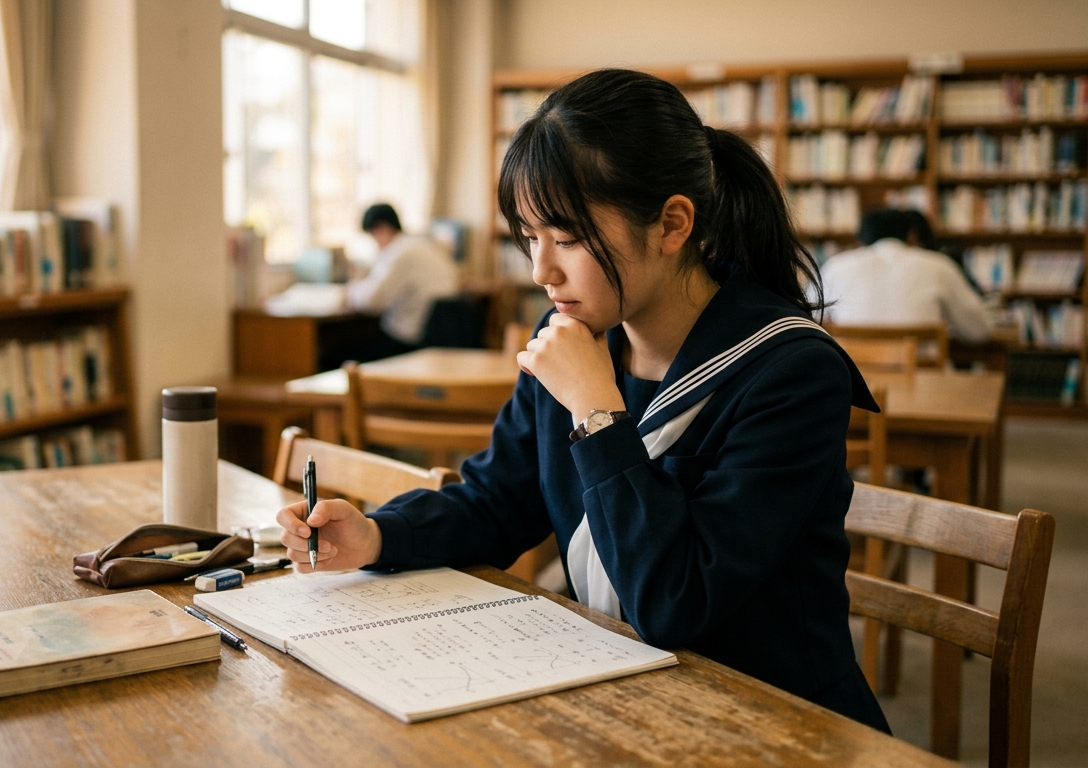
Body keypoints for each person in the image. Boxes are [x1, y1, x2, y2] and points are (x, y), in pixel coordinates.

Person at [277, 69, 889, 732]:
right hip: (625, 697)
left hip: (774, 719)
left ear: (672, 224)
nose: (542, 272)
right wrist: (378, 535)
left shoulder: (791, 372)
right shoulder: (570, 337)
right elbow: (500, 499)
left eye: (567, 239)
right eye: (530, 238)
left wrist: (598, 412)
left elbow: (675, 604)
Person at [820, 208, 992, 342]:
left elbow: (806, 318)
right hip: (925, 383)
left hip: (855, 381)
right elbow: (979, 331)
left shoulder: (835, 267)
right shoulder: (939, 265)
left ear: (860, 242)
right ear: (911, 236)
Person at [343, 203, 459, 361]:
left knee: (341, 354)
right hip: (440, 335)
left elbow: (373, 301)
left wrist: (350, 290)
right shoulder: (424, 244)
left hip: (410, 339)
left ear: (382, 228)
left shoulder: (398, 252)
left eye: (373, 236)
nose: (375, 243)